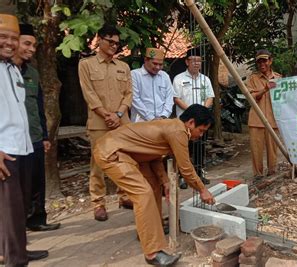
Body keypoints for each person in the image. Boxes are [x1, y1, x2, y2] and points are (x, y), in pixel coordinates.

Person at [93, 104, 216, 266]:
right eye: (201, 130)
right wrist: (202, 190)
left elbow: (153, 154)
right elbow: (186, 168)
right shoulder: (178, 131)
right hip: (111, 152)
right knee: (143, 193)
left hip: (129, 153)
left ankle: (148, 231)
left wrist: (164, 180)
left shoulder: (172, 126)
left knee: (154, 187)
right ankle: (152, 253)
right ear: (191, 123)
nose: (200, 135)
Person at [0, 14, 49, 266]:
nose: (9, 43)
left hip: (24, 147)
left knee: (19, 210)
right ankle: (15, 260)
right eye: (3, 37)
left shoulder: (14, 70)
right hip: (5, 152)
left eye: (13, 38)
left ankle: (18, 251)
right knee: (10, 212)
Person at [78, 24, 133, 221]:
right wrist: (106, 114)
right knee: (98, 163)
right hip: (99, 123)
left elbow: (128, 94)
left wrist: (118, 114)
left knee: (124, 159)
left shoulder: (123, 67)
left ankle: (124, 196)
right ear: (99, 39)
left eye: (117, 43)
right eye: (110, 42)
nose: (114, 46)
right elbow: (89, 94)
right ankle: (98, 203)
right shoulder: (86, 65)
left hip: (121, 122)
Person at [11, 23, 61, 232]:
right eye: (27, 44)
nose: (31, 49)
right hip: (12, 140)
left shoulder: (32, 72)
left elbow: (38, 105)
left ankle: (37, 219)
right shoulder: (7, 72)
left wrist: (45, 136)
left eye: (33, 45)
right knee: (15, 187)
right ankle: (15, 230)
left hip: (34, 136)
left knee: (37, 181)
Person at [173, 48, 214, 188]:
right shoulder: (179, 79)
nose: (196, 64)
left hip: (201, 123)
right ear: (187, 62)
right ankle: (182, 177)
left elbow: (210, 98)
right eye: (193, 61)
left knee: (200, 148)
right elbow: (177, 99)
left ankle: (199, 172)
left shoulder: (205, 79)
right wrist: (191, 112)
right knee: (184, 149)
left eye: (199, 61)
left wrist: (201, 111)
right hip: (185, 122)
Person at [247, 49, 281, 178]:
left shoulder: (278, 78)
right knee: (256, 151)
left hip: (273, 120)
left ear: (270, 61)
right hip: (256, 121)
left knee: (273, 150)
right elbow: (251, 97)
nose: (262, 64)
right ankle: (258, 176)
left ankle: (272, 173)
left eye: (265, 61)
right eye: (259, 62)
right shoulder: (253, 79)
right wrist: (264, 89)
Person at [131, 47, 174, 122]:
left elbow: (169, 99)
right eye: (154, 63)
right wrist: (151, 118)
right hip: (140, 122)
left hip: (162, 122)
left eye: (160, 64)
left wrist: (163, 116)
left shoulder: (165, 76)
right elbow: (135, 99)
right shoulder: (134, 75)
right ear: (145, 60)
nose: (157, 67)